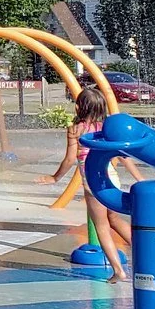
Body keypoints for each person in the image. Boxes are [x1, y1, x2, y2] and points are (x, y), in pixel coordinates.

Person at [42, 85, 135, 281]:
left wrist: (55, 177)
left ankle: (118, 270)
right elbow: (123, 155)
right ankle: (145, 255)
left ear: (78, 107)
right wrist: (139, 177)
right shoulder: (107, 129)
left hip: (93, 183)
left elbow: (69, 160)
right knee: (114, 219)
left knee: (101, 226)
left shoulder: (75, 130)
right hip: (112, 179)